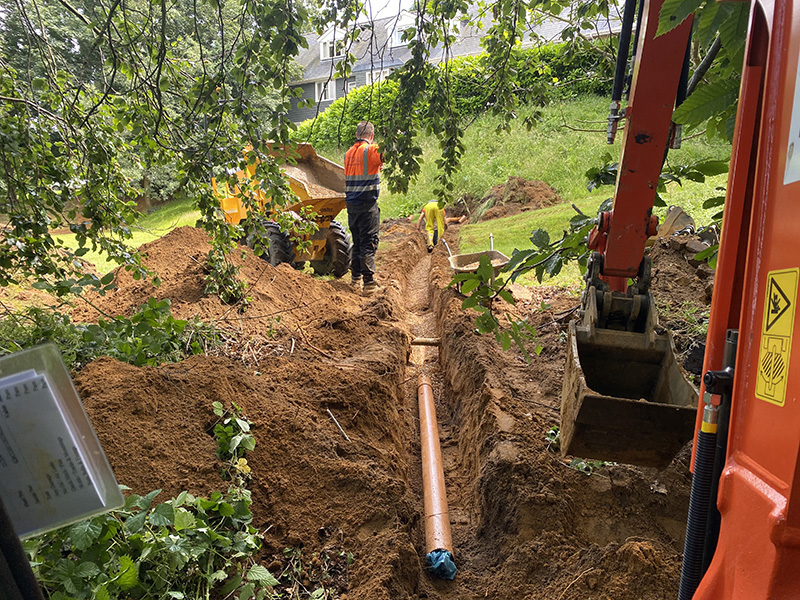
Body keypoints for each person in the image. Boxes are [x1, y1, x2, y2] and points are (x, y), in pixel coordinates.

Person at [344, 121, 384, 296]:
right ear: (372, 136)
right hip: (367, 205)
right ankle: (368, 284)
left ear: (356, 134)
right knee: (369, 243)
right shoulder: (371, 150)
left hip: (352, 206)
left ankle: (355, 279)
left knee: (358, 242)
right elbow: (388, 154)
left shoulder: (348, 153)